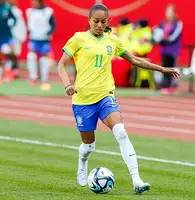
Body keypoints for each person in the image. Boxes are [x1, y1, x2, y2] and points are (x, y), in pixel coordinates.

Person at [57, 4, 179, 194]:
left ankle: (137, 181)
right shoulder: (78, 39)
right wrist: (67, 84)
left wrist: (162, 69)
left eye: (103, 21)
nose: (99, 25)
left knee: (121, 131)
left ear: (107, 22)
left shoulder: (113, 40)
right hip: (82, 101)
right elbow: (61, 65)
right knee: (88, 146)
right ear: (89, 20)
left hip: (105, 96)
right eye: (95, 21)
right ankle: (82, 161)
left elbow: (135, 60)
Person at [26, 0, 56, 91]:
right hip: (33, 39)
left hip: (44, 40)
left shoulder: (48, 11)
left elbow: (53, 25)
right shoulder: (30, 11)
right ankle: (33, 78)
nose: (33, 4)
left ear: (40, 2)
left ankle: (44, 79)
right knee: (31, 57)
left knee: (44, 60)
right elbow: (29, 25)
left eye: (35, 2)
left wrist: (48, 33)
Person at [153, 4, 183, 93]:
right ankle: (164, 85)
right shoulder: (163, 23)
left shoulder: (178, 23)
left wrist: (165, 40)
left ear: (174, 13)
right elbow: (159, 33)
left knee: (171, 68)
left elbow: (174, 36)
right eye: (167, 12)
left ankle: (170, 85)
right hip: (164, 50)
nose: (168, 14)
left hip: (173, 50)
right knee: (164, 67)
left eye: (170, 12)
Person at [7, 0, 27, 80]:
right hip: (9, 37)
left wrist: (19, 37)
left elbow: (19, 25)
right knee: (9, 54)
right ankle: (10, 72)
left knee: (13, 54)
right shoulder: (6, 10)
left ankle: (14, 73)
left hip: (16, 37)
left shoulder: (17, 12)